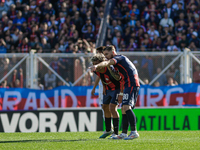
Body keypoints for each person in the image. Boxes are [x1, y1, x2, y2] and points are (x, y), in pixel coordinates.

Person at [89, 45, 140, 140]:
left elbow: (108, 62)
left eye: (107, 54)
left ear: (113, 52)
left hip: (131, 83)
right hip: (127, 84)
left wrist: (96, 66)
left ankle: (134, 132)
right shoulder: (116, 64)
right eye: (104, 54)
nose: (106, 56)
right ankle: (124, 133)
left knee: (126, 107)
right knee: (123, 108)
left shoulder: (119, 58)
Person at [91, 52, 122, 139]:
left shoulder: (110, 69)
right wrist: (104, 86)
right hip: (108, 89)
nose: (94, 65)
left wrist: (121, 92)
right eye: (93, 64)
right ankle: (108, 130)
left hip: (116, 89)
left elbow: (119, 79)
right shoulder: (97, 70)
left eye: (96, 64)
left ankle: (116, 133)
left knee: (112, 108)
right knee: (104, 107)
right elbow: (101, 77)